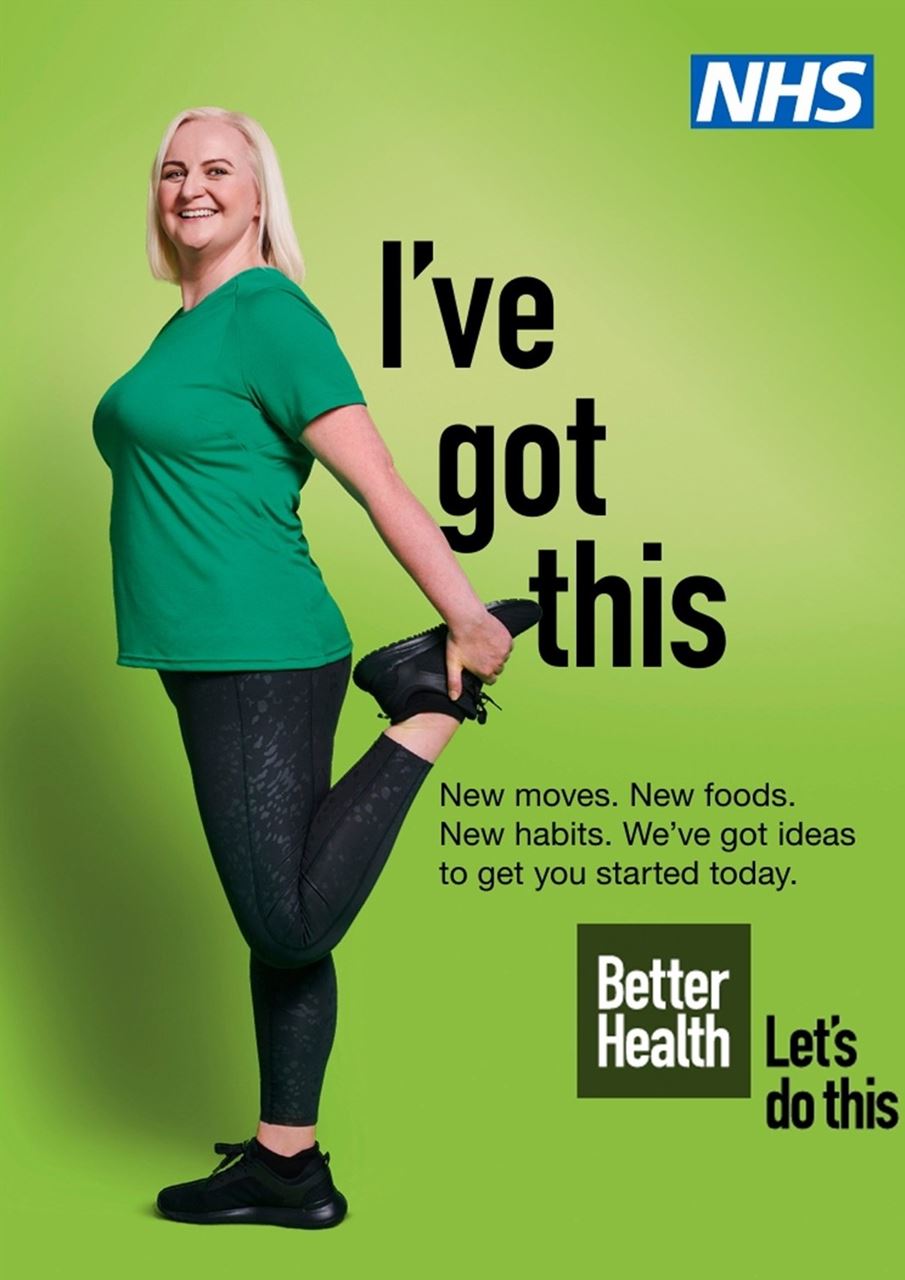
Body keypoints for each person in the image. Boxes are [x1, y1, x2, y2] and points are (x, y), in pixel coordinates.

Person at [91, 106, 541, 1230]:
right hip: (206, 652)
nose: (190, 186)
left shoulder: (271, 316)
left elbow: (377, 478)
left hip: (260, 647)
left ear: (258, 196)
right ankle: (287, 1162)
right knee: (276, 905)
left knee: (287, 919)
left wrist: (465, 620)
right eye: (173, 170)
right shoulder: (185, 325)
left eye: (217, 170)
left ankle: (427, 702)